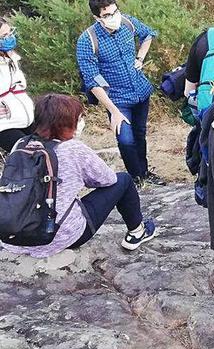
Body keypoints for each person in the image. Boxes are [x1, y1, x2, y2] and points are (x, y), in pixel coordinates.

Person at [1, 94, 157, 258]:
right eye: (78, 118)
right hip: (57, 237)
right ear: (67, 122)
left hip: (12, 236)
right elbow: (108, 179)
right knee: (123, 180)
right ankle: (137, 231)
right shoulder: (72, 149)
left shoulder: (20, 144)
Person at [75, 0, 164, 186]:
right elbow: (92, 80)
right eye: (107, 15)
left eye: (115, 11)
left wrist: (140, 58)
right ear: (97, 18)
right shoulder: (87, 40)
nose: (113, 17)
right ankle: (135, 177)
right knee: (125, 140)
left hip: (140, 90)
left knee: (140, 134)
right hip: (116, 98)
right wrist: (113, 111)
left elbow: (148, 34)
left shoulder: (127, 23)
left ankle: (144, 173)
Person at [0, 16, 34, 152]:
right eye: (4, 36)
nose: (9, 37)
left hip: (26, 118)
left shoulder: (11, 58)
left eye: (10, 33)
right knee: (29, 156)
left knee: (49, 149)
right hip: (5, 125)